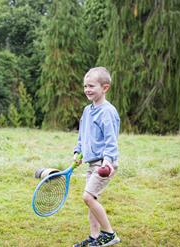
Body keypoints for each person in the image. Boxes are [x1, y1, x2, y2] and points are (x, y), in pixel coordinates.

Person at [72, 67, 121, 247]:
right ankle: (94, 237)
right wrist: (78, 152)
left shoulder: (107, 112)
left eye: (91, 86)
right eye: (85, 86)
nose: (87, 90)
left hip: (104, 164)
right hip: (91, 163)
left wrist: (108, 162)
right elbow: (82, 136)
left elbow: (111, 140)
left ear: (105, 88)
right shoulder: (87, 111)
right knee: (92, 199)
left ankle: (109, 234)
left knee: (87, 197)